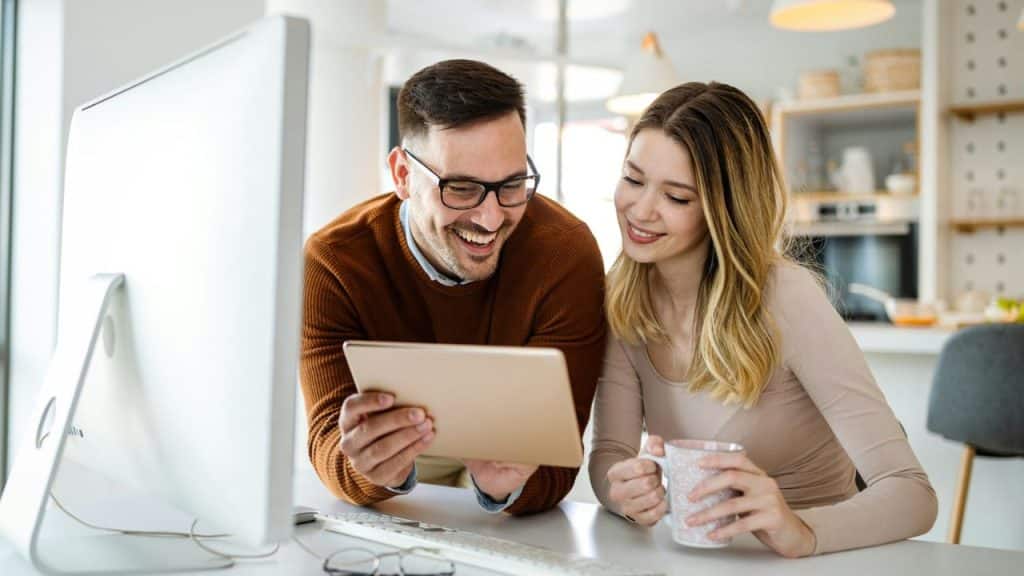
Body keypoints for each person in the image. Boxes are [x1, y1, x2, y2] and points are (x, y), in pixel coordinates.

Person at [589, 82, 937, 556]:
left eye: (677, 197)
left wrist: (799, 530)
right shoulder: (623, 298)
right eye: (633, 179)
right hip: (703, 561)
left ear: (723, 210)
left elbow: (912, 494)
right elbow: (610, 453)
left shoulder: (787, 298)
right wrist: (627, 493)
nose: (641, 210)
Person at [300, 59, 606, 515]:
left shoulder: (566, 255)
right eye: (460, 189)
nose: (491, 218)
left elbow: (558, 464)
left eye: (512, 184)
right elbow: (329, 441)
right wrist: (365, 466)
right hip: (397, 485)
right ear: (403, 175)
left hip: (503, 463)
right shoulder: (334, 262)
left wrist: (507, 486)